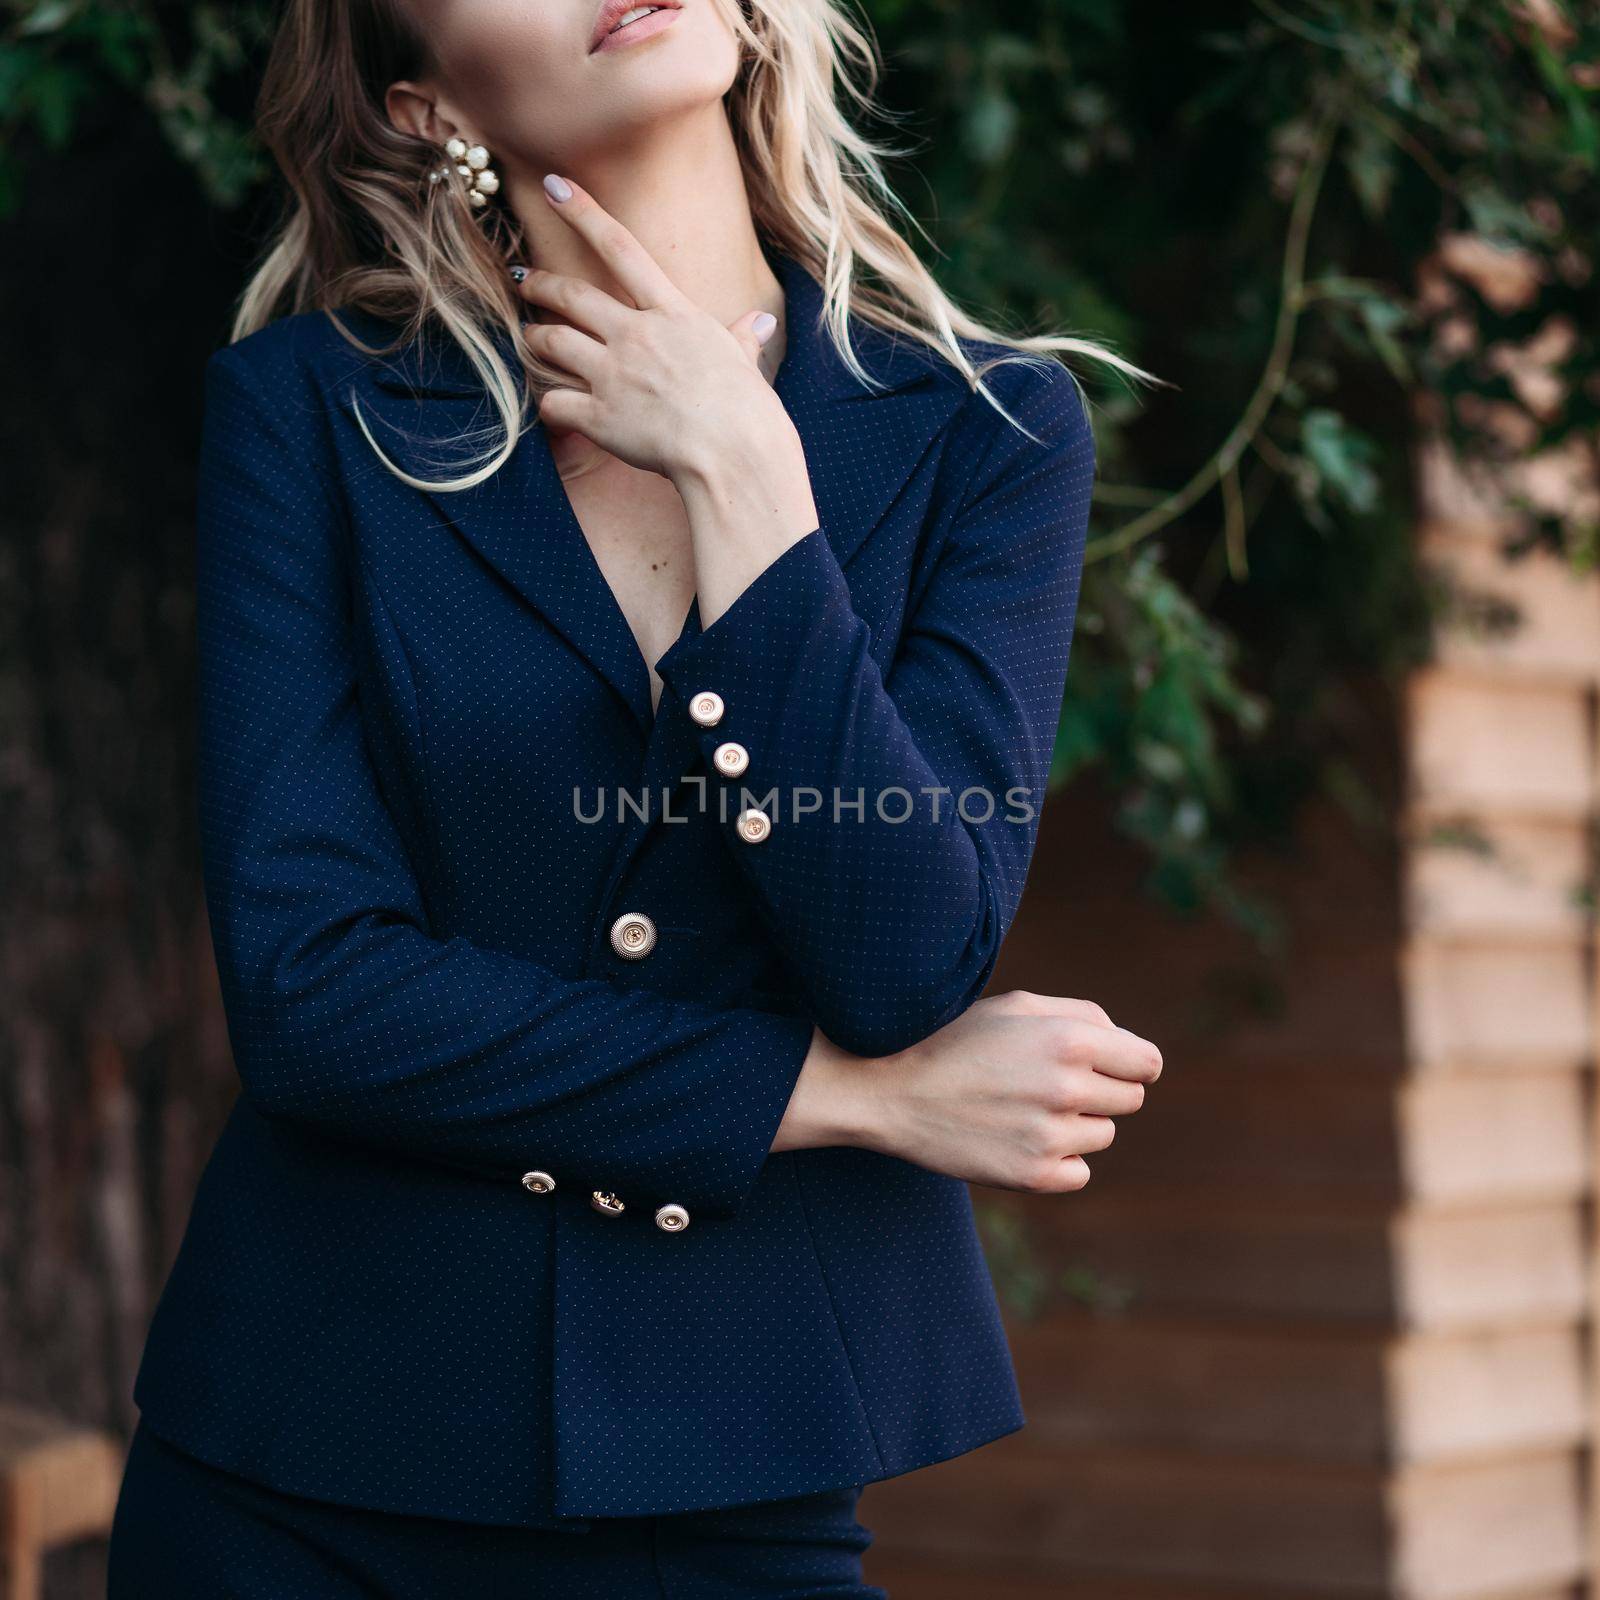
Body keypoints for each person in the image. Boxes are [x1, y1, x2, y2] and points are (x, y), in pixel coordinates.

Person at [107, 0, 1164, 1592]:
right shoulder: (310, 417)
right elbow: (312, 991)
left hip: (734, 1466)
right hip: (303, 1459)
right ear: (420, 103)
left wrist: (747, 481)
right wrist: (850, 1102)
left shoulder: (991, 435)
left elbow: (908, 955)